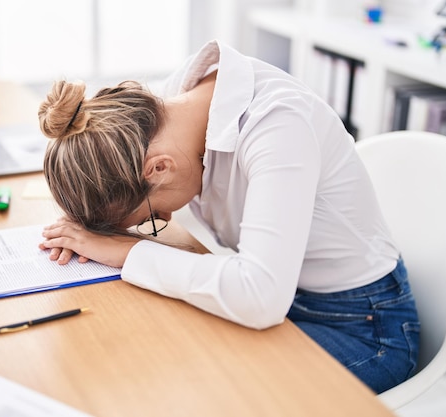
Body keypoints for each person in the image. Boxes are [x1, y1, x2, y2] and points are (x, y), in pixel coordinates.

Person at [37, 40, 419, 394]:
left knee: (212, 387)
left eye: (149, 217)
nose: (165, 218)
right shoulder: (167, 115)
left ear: (158, 168)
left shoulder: (276, 125)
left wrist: (123, 251)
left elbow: (261, 295)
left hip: (364, 326)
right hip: (288, 300)